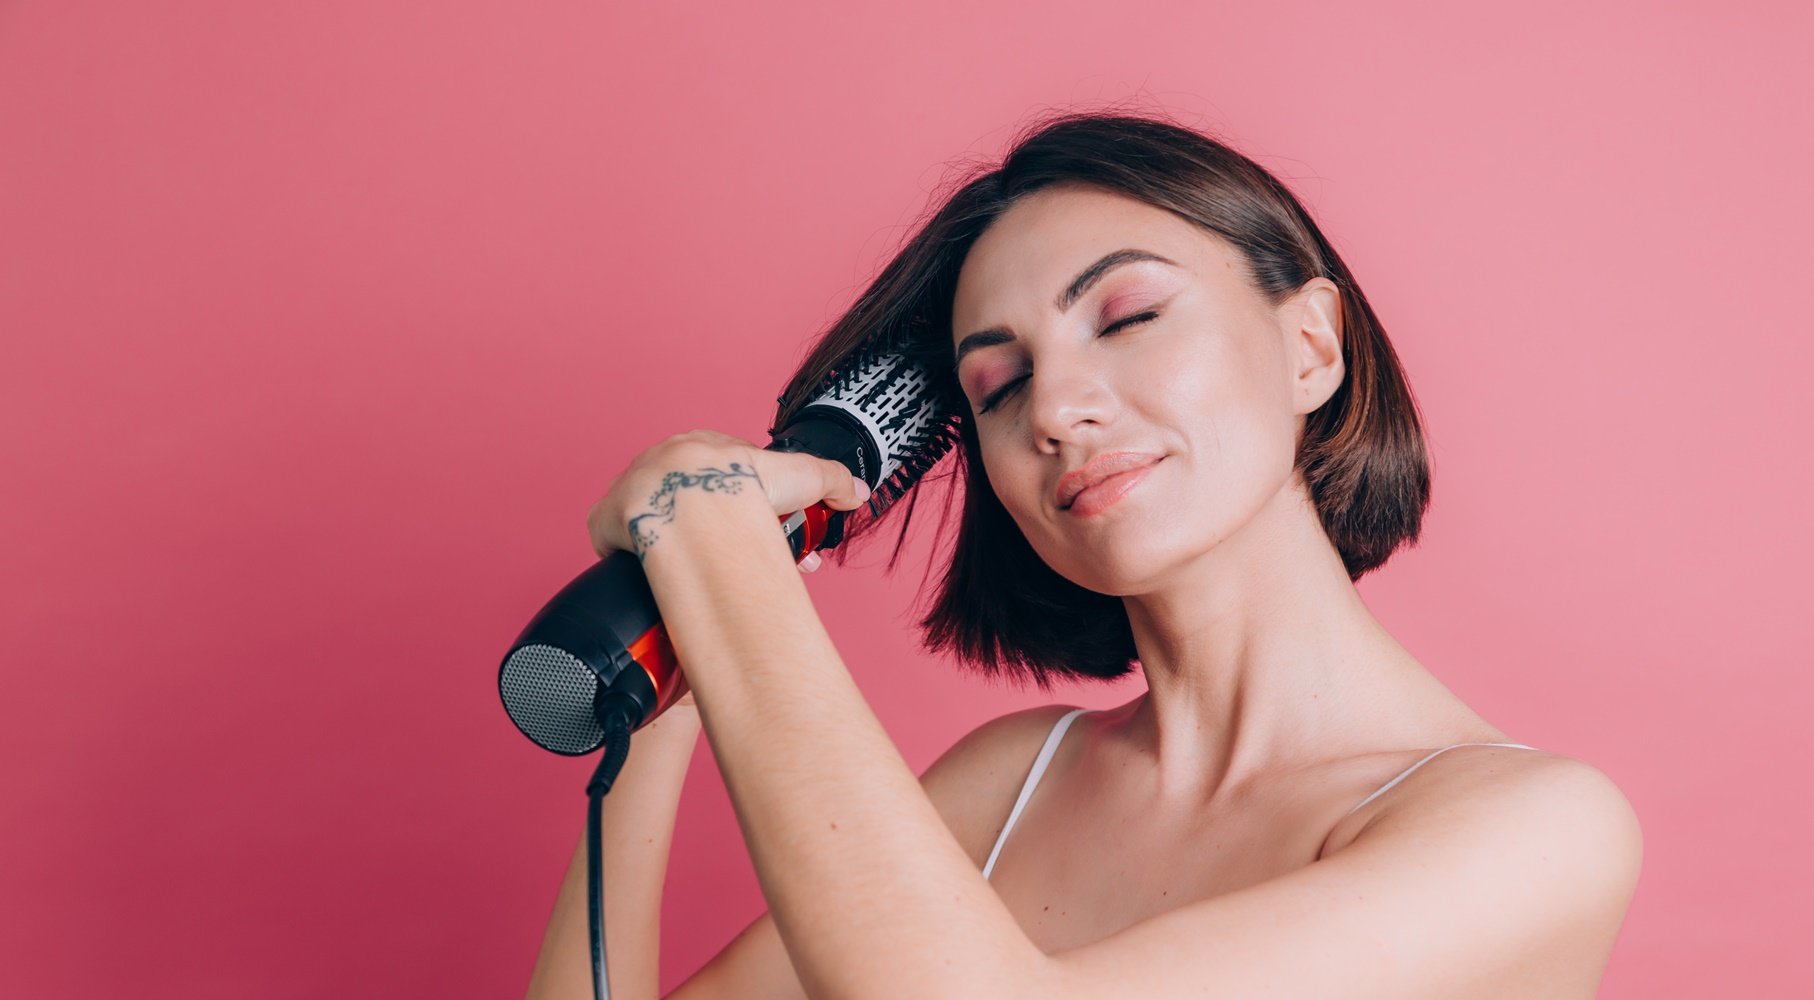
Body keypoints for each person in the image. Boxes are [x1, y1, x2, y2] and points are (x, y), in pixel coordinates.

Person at [526, 110, 1643, 999]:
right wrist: (673, 677)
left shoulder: (1536, 833)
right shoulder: (1010, 782)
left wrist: (724, 560)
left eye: (1126, 316)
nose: (1055, 409)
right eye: (998, 386)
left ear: (1309, 347)